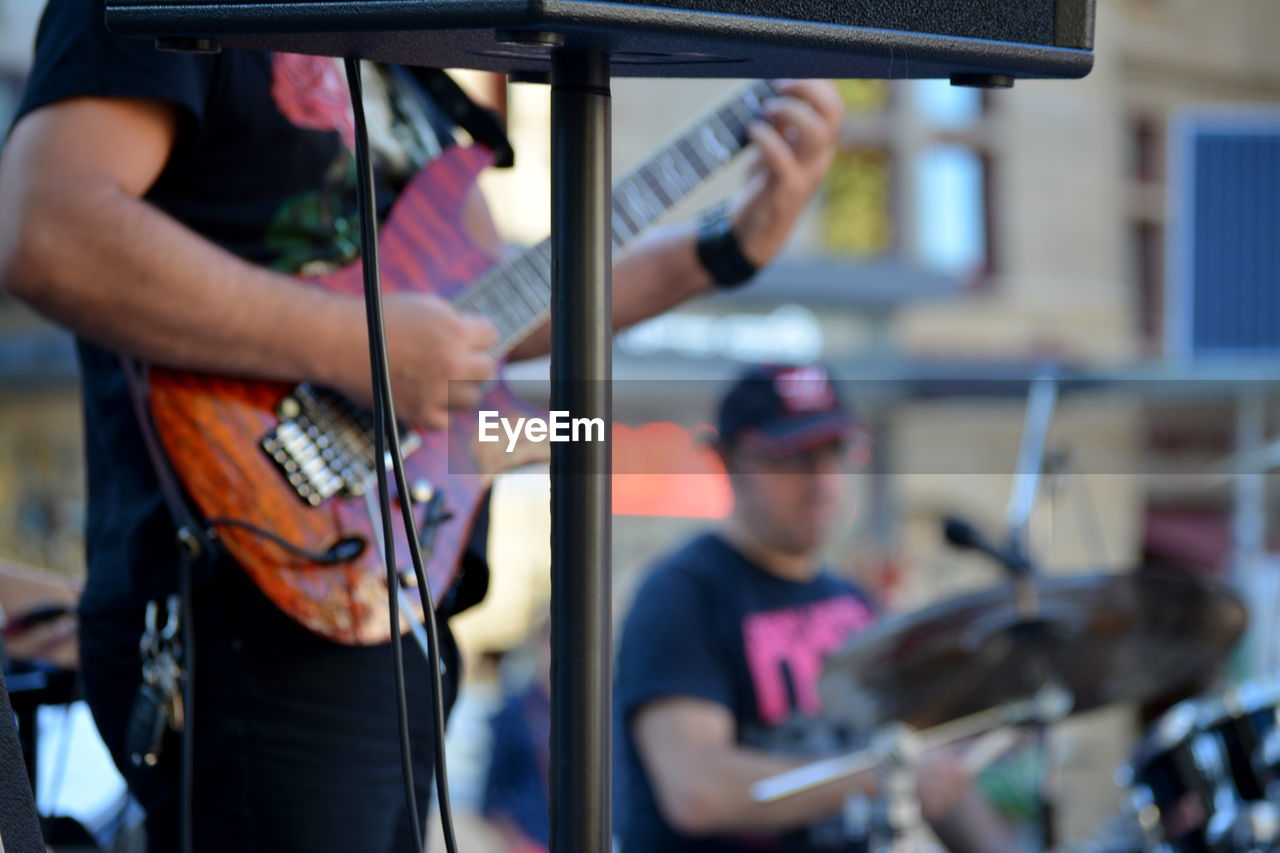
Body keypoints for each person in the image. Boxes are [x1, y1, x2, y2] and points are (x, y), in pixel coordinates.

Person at [0, 0, 844, 848]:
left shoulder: (407, 49)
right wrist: (354, 342)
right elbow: (48, 228)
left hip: (384, 582)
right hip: (241, 587)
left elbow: (493, 308)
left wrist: (727, 245)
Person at [614, 363, 1020, 852]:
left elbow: (927, 770)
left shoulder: (853, 602)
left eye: (834, 452)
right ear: (727, 461)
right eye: (791, 457)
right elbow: (698, 791)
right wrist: (879, 775)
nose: (821, 479)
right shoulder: (683, 594)